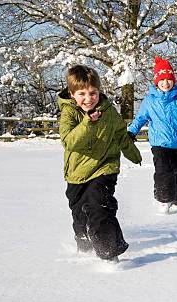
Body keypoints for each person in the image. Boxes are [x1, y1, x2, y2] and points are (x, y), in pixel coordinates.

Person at [58, 65, 142, 261]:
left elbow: (121, 135)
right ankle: (84, 243)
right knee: (79, 213)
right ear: (72, 95)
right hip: (77, 173)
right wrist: (87, 122)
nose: (88, 98)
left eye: (93, 93)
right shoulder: (69, 113)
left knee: (99, 205)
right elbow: (69, 141)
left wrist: (133, 153)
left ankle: (109, 251)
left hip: (105, 166)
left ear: (99, 91)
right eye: (82, 94)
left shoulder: (109, 112)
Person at [127, 56, 177, 212]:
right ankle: (162, 200)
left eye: (169, 79)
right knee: (163, 173)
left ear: (173, 80)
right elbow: (140, 118)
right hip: (160, 145)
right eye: (162, 80)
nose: (165, 83)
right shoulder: (150, 101)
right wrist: (131, 131)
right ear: (156, 82)